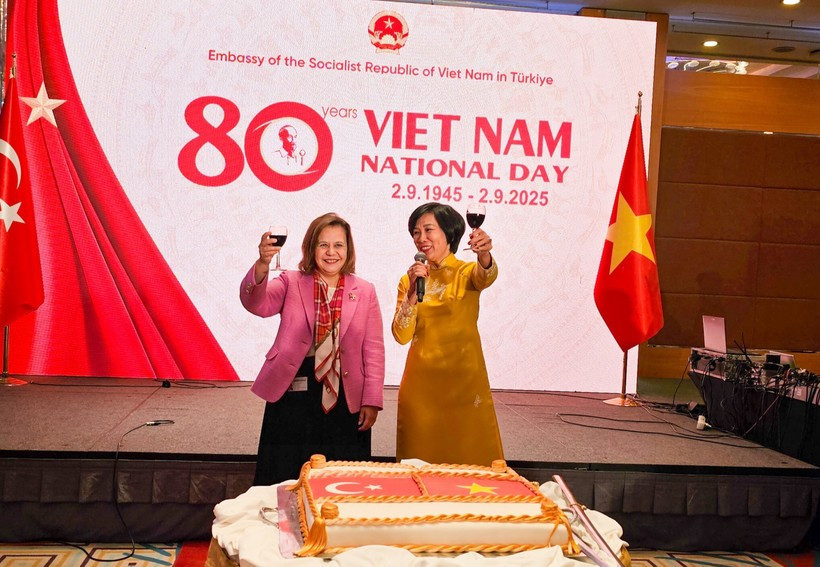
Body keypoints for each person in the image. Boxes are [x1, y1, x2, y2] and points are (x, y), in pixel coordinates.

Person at [241, 213, 385, 485]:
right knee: (284, 476)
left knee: (342, 479)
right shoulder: (291, 281)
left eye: (338, 245)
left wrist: (372, 399)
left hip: (346, 395)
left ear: (348, 249)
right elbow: (256, 304)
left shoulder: (365, 290)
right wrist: (263, 263)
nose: (331, 252)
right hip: (294, 391)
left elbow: (374, 349)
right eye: (323, 245)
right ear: (310, 248)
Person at [392, 202, 503, 466]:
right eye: (416, 232)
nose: (421, 239)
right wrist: (411, 295)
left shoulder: (465, 273)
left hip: (463, 386)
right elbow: (401, 334)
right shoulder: (409, 280)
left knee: (470, 467)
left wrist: (485, 255)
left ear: (449, 234)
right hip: (421, 390)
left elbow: (485, 275)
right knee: (419, 470)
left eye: (428, 230)